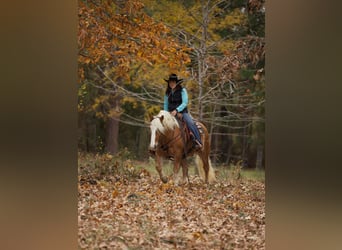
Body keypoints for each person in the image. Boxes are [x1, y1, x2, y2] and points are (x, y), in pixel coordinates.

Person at [163, 73, 202, 150]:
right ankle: (162, 144)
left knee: (190, 122)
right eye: (170, 82)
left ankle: (198, 141)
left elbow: (185, 102)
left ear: (177, 83)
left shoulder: (182, 90)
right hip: (170, 114)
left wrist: (177, 110)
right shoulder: (167, 93)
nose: (172, 84)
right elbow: (165, 104)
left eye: (173, 82)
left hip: (182, 112)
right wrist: (166, 113)